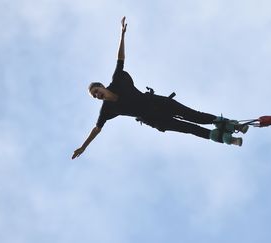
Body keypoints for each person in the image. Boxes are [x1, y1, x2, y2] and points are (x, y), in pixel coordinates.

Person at [72, 17, 248, 159]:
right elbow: (96, 129)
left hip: (160, 103)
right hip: (155, 119)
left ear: (102, 86)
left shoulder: (117, 81)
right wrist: (83, 147)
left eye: (96, 91)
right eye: (95, 96)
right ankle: (228, 140)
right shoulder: (107, 110)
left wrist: (122, 35)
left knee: (195, 116)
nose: (97, 96)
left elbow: (120, 59)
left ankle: (233, 125)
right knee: (190, 129)